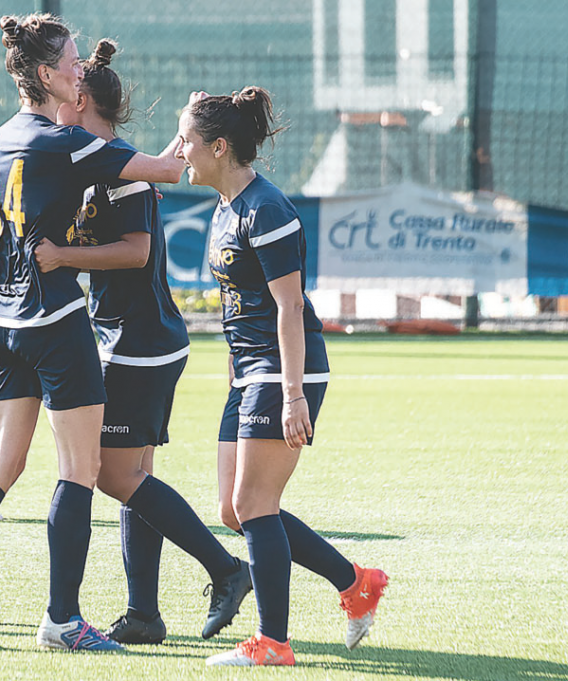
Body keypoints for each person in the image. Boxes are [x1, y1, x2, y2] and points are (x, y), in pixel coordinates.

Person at [0, 14, 184, 652]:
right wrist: (194, 123)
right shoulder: (68, 142)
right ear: (44, 74)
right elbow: (172, 169)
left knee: (1, 467)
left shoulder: (3, 136)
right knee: (79, 467)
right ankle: (63, 621)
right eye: (69, 62)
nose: (78, 71)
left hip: (3, 319)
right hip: (57, 322)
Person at [34, 38, 251, 645]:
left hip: (141, 342)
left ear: (79, 99)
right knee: (136, 474)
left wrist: (61, 257)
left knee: (109, 473)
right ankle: (144, 614)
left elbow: (138, 251)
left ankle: (228, 569)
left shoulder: (115, 165)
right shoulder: (104, 162)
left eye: (66, 96)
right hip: (131, 337)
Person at [173, 88, 389, 667]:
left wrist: (293, 394)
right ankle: (356, 581)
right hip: (249, 373)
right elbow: (237, 307)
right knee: (234, 509)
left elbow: (289, 308)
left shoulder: (266, 209)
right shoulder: (225, 206)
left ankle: (273, 643)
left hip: (283, 369)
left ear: (219, 147)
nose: (179, 151)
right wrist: (235, 380)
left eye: (187, 140)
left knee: (255, 502)